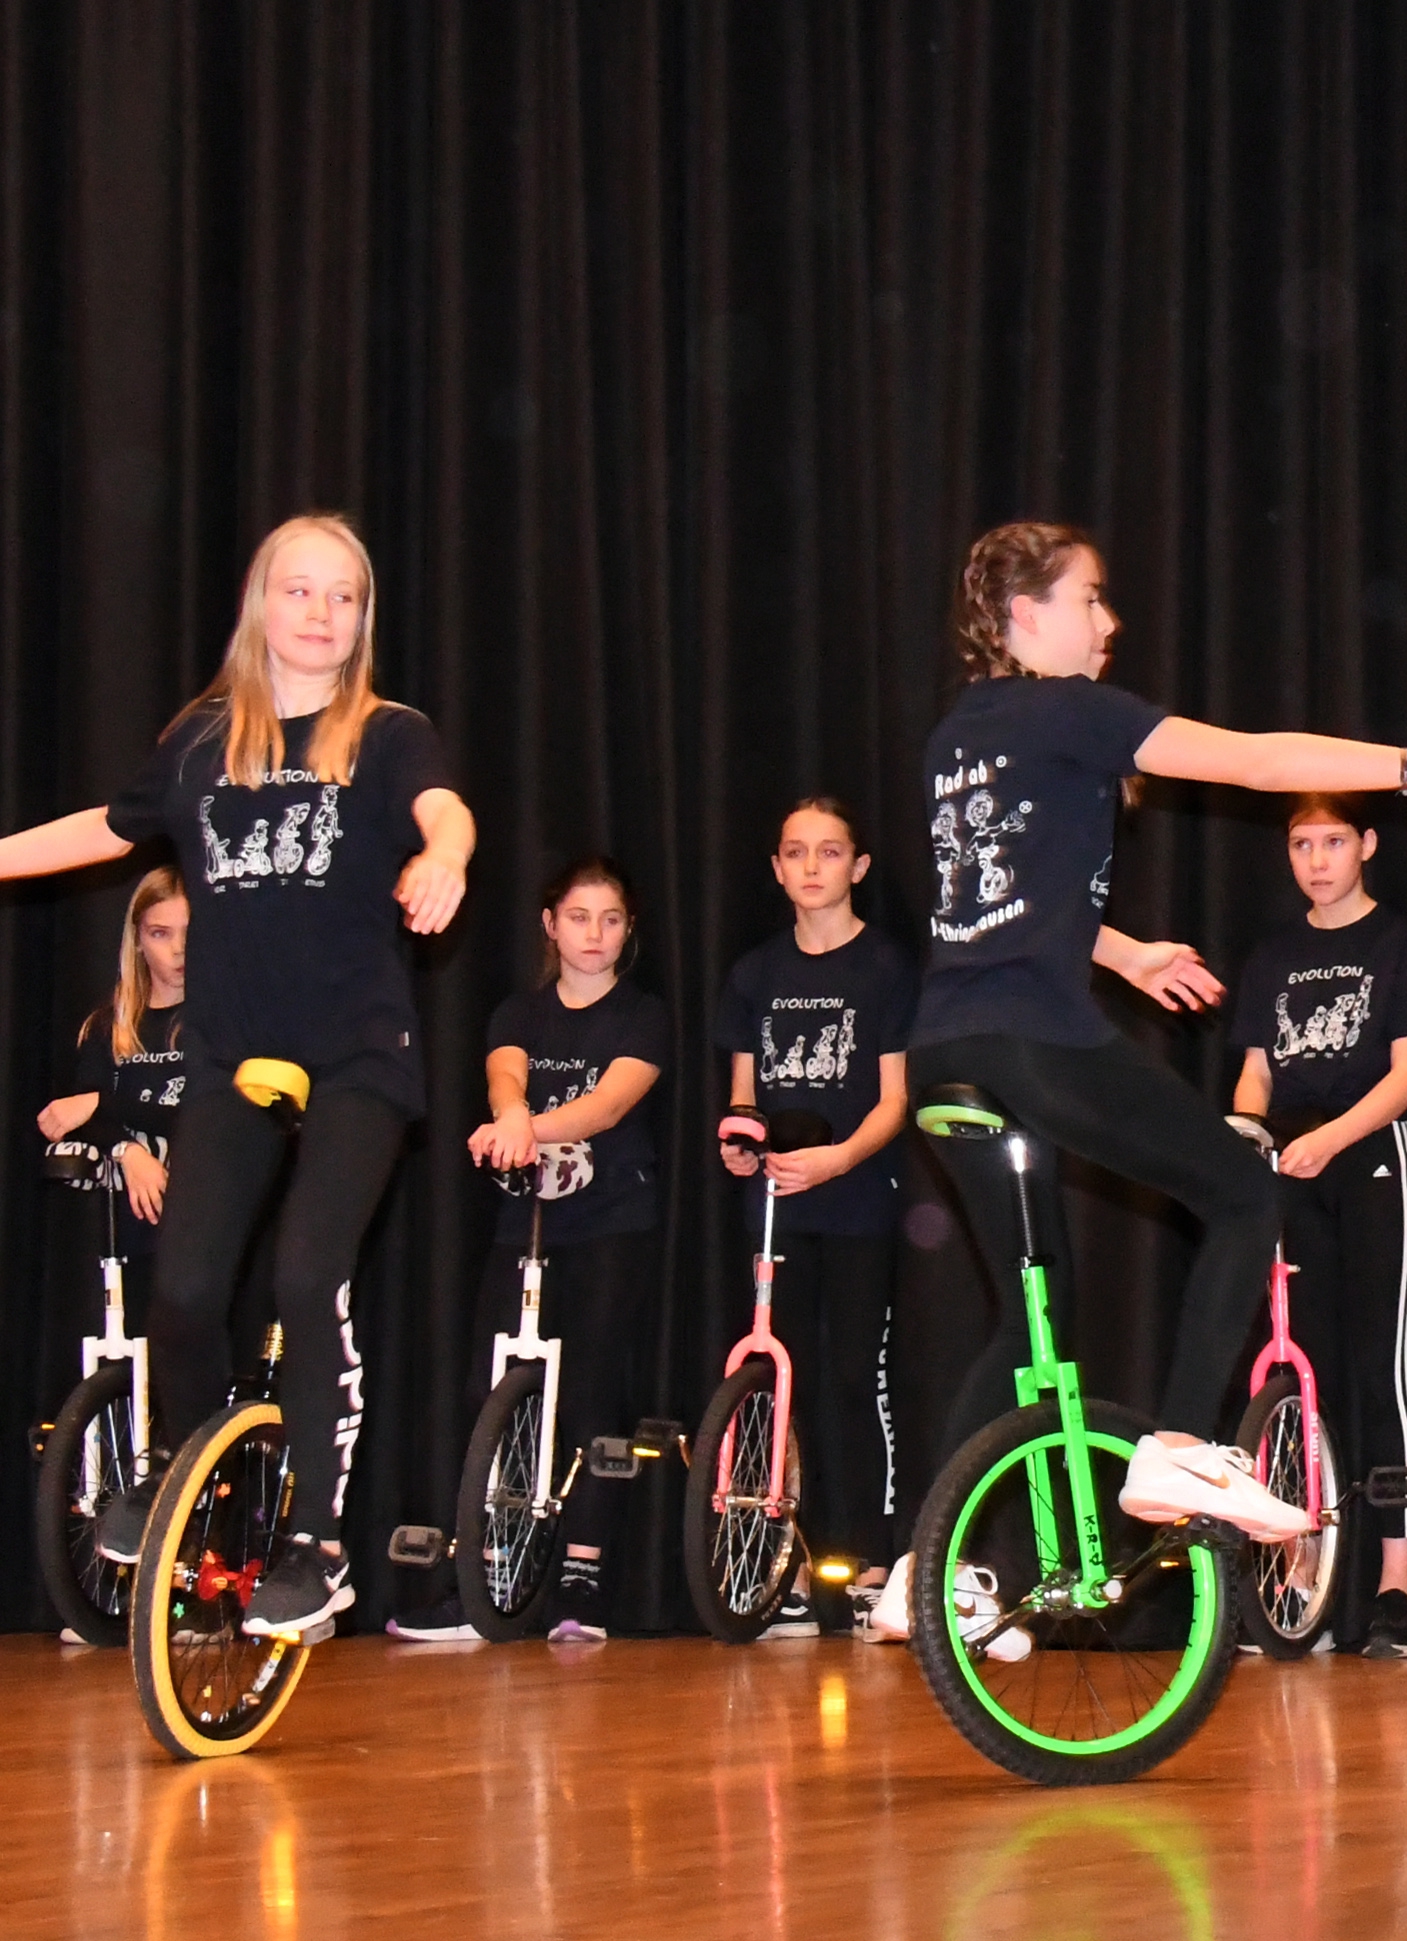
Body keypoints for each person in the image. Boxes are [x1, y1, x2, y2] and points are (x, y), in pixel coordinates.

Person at [907, 521, 1407, 1561]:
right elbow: (1253, 762)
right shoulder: (1072, 709)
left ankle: (925, 1569)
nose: (1108, 622)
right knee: (1246, 1195)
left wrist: (1125, 954)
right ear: (1025, 614)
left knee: (1031, 1317)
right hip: (1031, 1039)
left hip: (942, 1048)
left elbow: (997, 903)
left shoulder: (958, 734)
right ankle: (1177, 1451)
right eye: (1089, 599)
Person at [0, 512, 472, 1638]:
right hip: (227, 1052)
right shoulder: (202, 740)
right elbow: (113, 827)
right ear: (262, 604)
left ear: (362, 620)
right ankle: (183, 1471)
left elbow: (442, 809)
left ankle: (317, 1545)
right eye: (300, 590)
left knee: (306, 1277)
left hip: (356, 1055)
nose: (320, 613)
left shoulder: (388, 735)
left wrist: (446, 856)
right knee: (186, 1287)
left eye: (343, 597)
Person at [391, 858, 672, 1644]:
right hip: (526, 1225)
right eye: (578, 917)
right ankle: (481, 1579)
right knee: (492, 1392)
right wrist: (511, 1116)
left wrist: (522, 1129)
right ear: (550, 925)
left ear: (628, 930)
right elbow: (504, 1078)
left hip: (610, 1222)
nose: (594, 934)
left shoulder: (643, 1016)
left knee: (588, 1395)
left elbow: (607, 1105)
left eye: (611, 919)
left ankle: (582, 1579)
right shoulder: (519, 1011)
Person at [1228, 794, 1407, 1657]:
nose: (1317, 860)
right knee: (1296, 1371)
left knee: (1384, 1367)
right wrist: (1250, 1133)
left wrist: (1332, 1138)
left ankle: (1397, 1590)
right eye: (1301, 844)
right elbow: (1257, 1069)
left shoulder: (1397, 944)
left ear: (1367, 845)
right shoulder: (1273, 954)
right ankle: (1300, 1580)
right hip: (1290, 1164)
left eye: (1333, 842)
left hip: (1369, 1156)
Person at [717, 798, 916, 1637]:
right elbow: (743, 1096)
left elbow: (895, 1099)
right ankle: (794, 1560)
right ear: (775, 868)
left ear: (858, 867)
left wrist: (839, 1159)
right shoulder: (755, 974)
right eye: (795, 852)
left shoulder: (887, 968)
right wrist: (740, 1145)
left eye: (829, 852)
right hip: (776, 1207)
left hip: (858, 1200)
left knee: (850, 1378)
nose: (810, 867)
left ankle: (865, 1554)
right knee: (784, 1382)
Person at [36, 868, 191, 1258]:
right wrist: (128, 1151)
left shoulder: (223, 1025)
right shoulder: (109, 1026)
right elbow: (78, 1117)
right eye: (161, 933)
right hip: (129, 1236)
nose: (179, 949)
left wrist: (101, 1104)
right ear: (137, 940)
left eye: (189, 932)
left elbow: (204, 1116)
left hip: (208, 1229)